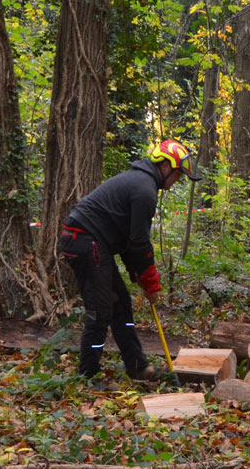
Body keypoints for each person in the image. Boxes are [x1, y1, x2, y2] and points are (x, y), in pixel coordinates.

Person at [59, 139, 194, 381]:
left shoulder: (141, 182)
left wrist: (137, 271)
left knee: (120, 304)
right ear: (164, 166)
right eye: (177, 175)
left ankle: (137, 366)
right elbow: (140, 242)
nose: (177, 182)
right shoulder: (144, 190)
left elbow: (128, 238)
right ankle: (87, 375)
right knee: (101, 311)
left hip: (95, 242)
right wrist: (151, 282)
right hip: (85, 240)